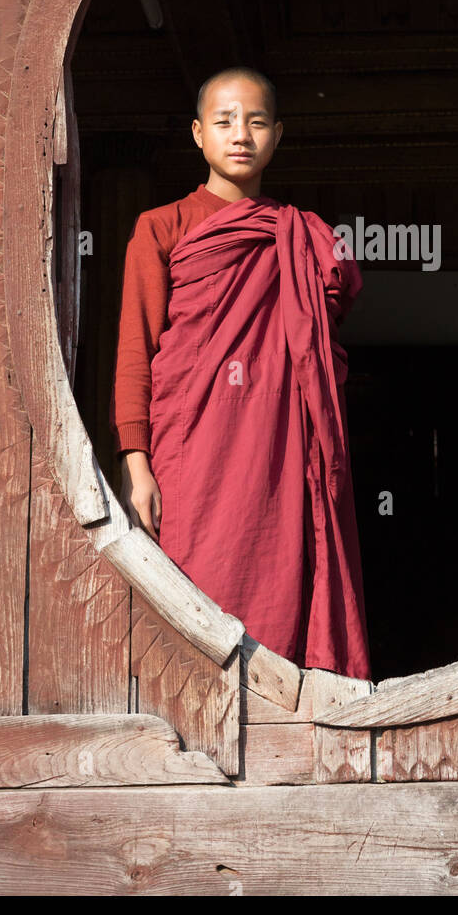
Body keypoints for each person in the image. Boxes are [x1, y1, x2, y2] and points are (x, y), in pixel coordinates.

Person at [110, 66, 371, 680]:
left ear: (277, 135)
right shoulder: (160, 227)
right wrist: (135, 462)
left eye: (256, 122)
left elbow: (317, 361)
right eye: (224, 121)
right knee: (187, 599)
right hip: (189, 457)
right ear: (198, 135)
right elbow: (135, 352)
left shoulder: (304, 239)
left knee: (277, 594)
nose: (241, 135)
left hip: (277, 462)